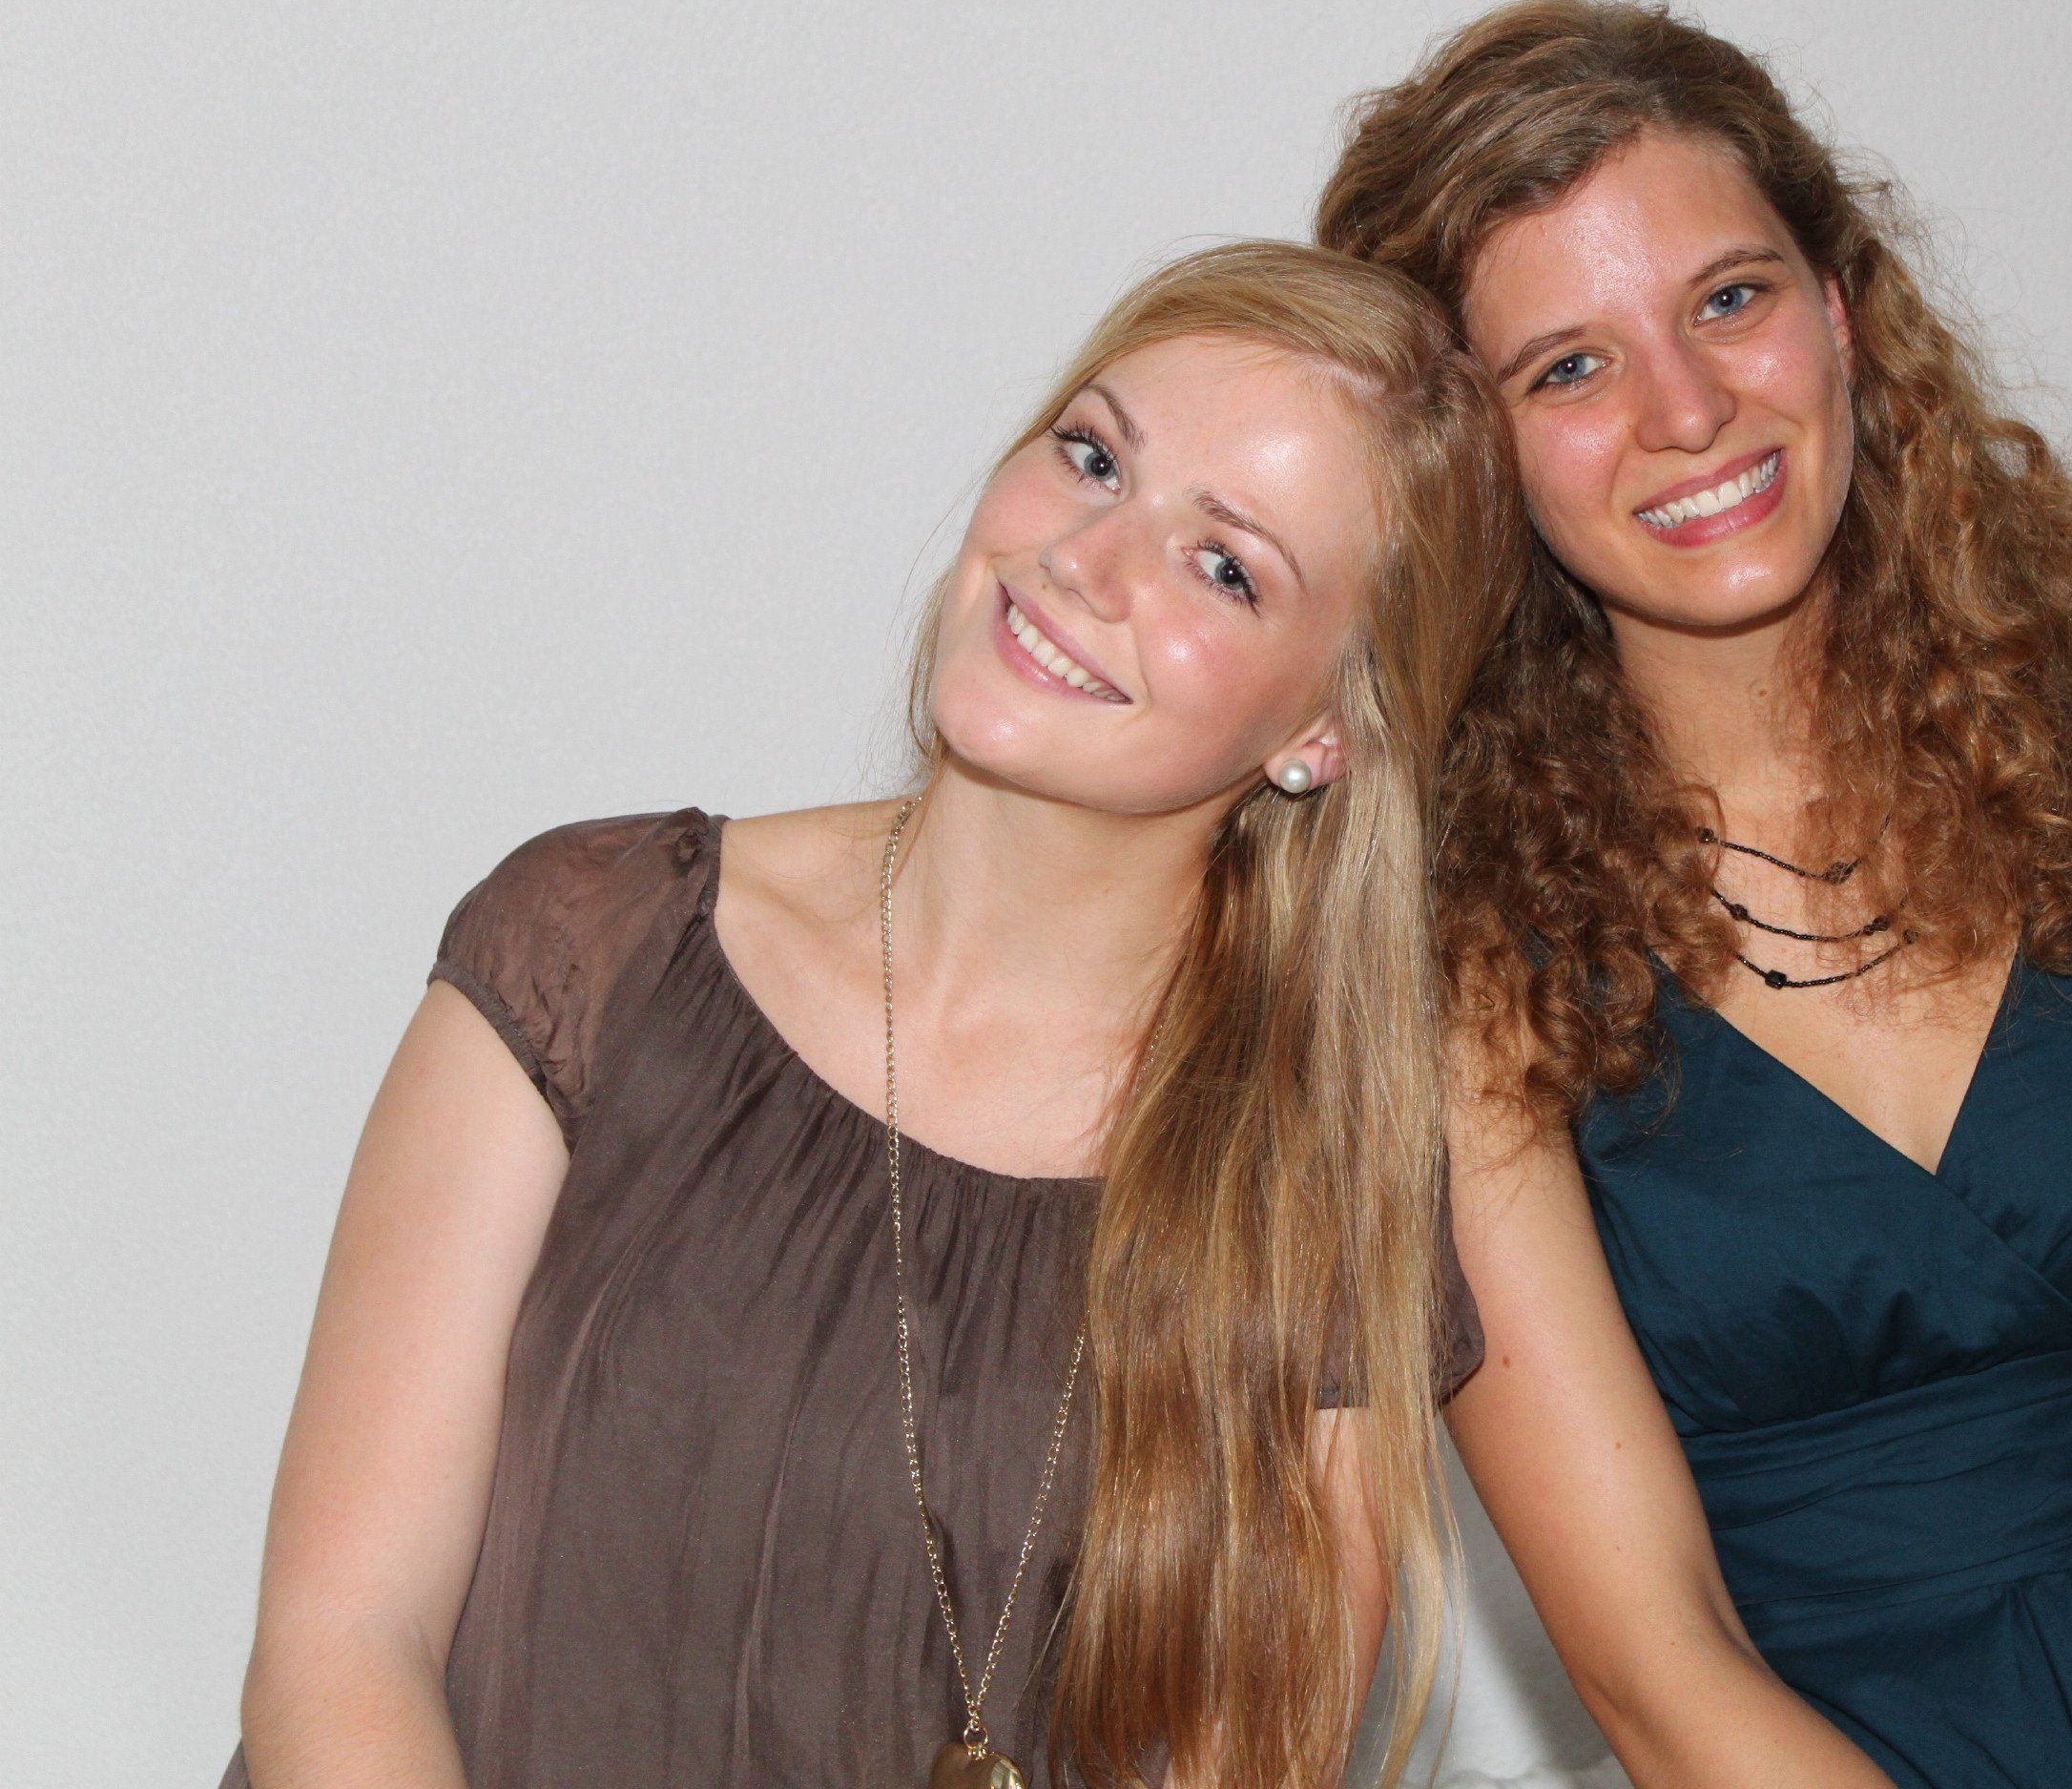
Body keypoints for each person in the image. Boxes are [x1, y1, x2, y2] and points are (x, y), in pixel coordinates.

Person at [1321, 0, 2072, 1787]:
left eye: (1730, 299)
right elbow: (1652, 1663)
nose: (1688, 410)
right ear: (1468, 458)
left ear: (1841, 307)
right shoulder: (1441, 947)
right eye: (1568, 369)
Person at [224, 242, 1524, 1789]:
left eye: (1223, 566)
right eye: (1093, 457)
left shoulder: (1313, 1192)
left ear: (1329, 728)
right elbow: (340, 1643)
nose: (1087, 559)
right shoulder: (596, 945)